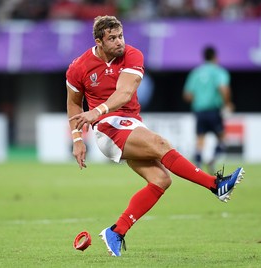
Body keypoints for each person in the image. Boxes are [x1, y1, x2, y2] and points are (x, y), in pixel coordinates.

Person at [66, 16, 244, 257]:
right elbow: (74, 105)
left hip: (127, 123)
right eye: (112, 38)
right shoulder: (79, 66)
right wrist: (77, 139)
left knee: (161, 180)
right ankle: (215, 185)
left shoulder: (132, 55)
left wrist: (96, 110)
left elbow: (125, 92)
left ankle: (116, 231)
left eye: (121, 36)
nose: (119, 42)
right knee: (161, 144)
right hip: (107, 128)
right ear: (99, 42)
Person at [183, 46, 234, 174]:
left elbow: (187, 95)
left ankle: (197, 167)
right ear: (215, 57)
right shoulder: (218, 71)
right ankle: (212, 160)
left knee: (200, 139)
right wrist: (227, 104)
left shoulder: (196, 72)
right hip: (213, 110)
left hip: (199, 111)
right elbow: (224, 88)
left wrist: (200, 97)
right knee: (223, 139)